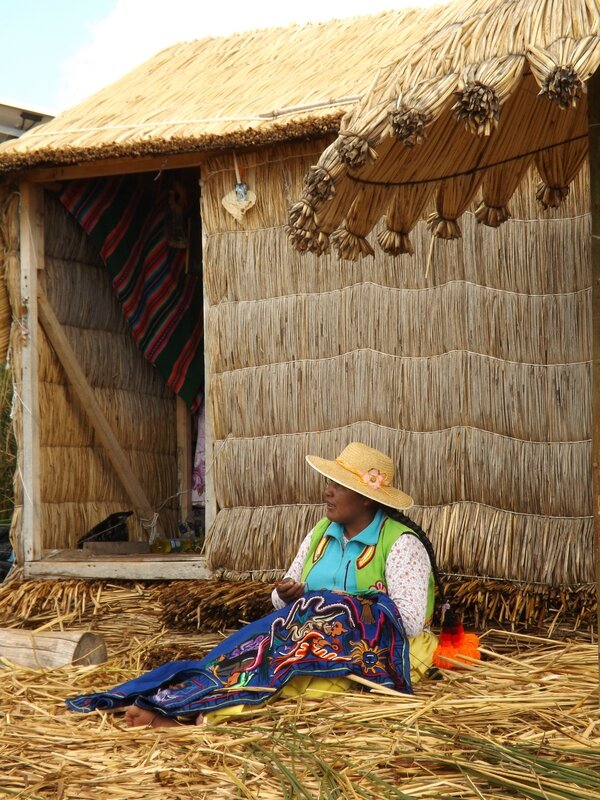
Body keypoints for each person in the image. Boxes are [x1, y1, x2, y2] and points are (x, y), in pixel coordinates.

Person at [67, 442, 442, 728]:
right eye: (329, 483)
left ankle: (194, 718)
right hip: (299, 633)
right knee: (235, 656)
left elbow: (408, 623)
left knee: (282, 678)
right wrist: (285, 594)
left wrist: (339, 607)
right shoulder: (320, 534)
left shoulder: (400, 543)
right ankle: (165, 696)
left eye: (338, 486)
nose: (327, 492)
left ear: (366, 499)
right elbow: (283, 599)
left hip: (366, 650)